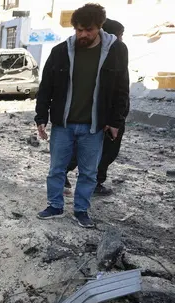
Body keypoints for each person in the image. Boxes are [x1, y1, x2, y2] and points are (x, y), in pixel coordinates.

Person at [35, 4, 129, 228]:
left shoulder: (115, 51)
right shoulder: (60, 52)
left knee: (88, 172)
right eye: (78, 30)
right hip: (63, 124)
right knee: (56, 168)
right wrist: (41, 118)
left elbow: (121, 88)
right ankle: (55, 205)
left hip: (93, 126)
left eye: (88, 30)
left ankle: (81, 210)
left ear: (99, 27)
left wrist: (116, 121)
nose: (83, 35)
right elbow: (46, 86)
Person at [65, 19, 128, 197]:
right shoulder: (115, 53)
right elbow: (120, 89)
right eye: (120, 35)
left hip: (103, 115)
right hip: (103, 116)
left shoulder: (108, 52)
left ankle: (70, 175)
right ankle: (94, 182)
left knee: (84, 149)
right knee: (102, 151)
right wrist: (115, 119)